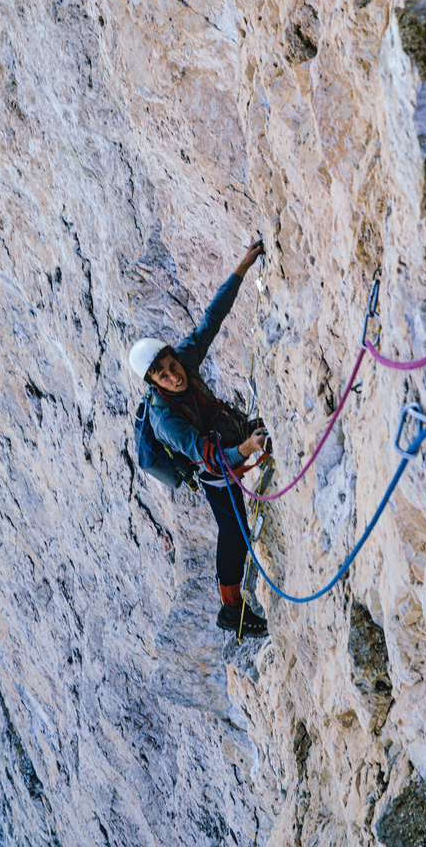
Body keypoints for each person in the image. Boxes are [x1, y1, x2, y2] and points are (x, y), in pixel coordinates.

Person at [129, 240, 269, 638]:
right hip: (211, 470)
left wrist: (242, 266)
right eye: (163, 375)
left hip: (224, 442)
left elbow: (212, 318)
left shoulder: (186, 358)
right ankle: (230, 609)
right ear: (154, 383)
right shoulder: (165, 418)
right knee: (235, 530)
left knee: (237, 526)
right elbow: (206, 455)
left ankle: (231, 606)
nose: (174, 375)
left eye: (172, 366)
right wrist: (244, 449)